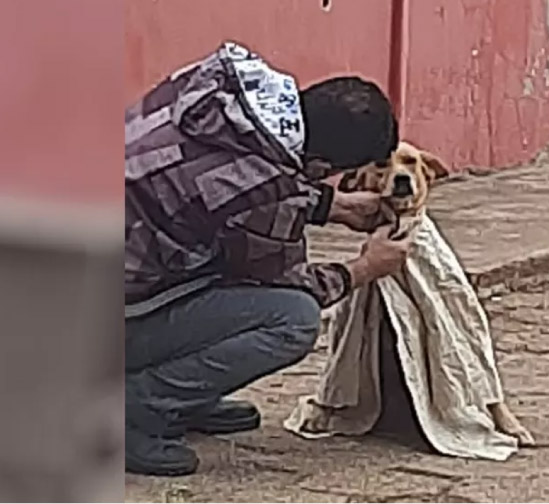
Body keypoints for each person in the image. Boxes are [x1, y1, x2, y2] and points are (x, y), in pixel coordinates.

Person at [124, 41, 411, 476]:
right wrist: (363, 269)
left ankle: (186, 397)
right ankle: (136, 410)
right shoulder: (263, 191)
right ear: (320, 163)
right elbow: (282, 278)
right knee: (291, 319)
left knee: (216, 255)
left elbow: (212, 189)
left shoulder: (224, 91)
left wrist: (330, 205)